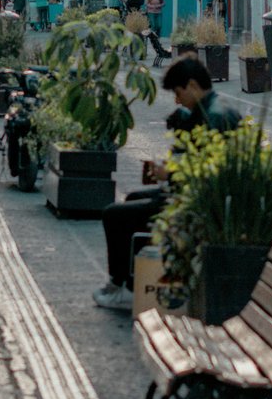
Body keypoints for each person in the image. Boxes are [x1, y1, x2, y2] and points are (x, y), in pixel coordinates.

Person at [92, 56, 241, 310]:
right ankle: (131, 280)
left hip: (197, 204)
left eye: (178, 93)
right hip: (196, 197)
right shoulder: (213, 108)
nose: (176, 100)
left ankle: (124, 287)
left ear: (193, 85)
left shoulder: (213, 117)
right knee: (132, 201)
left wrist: (169, 175)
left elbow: (207, 173)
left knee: (114, 214)